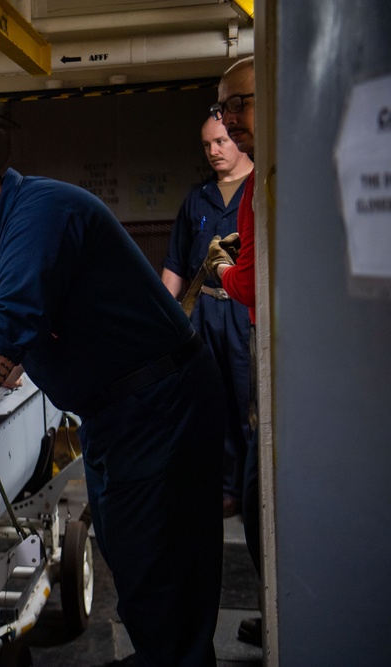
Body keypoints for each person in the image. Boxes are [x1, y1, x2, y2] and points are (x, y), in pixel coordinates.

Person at [0, 144, 225, 666]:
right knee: (135, 558)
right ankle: (163, 654)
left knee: (161, 565)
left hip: (155, 407)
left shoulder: (39, 214)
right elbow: (33, 324)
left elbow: (11, 320)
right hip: (118, 413)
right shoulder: (16, 225)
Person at [162, 117, 254, 519]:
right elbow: (175, 266)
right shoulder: (197, 199)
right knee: (213, 400)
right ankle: (228, 488)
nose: (213, 151)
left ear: (238, 138)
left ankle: (257, 487)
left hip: (245, 310)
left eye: (220, 141)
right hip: (205, 309)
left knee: (250, 400)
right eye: (206, 145)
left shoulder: (260, 188)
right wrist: (161, 321)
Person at [203, 55, 263, 647]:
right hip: (241, 333)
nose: (230, 121)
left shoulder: (264, 182)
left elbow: (248, 280)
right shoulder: (211, 198)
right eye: (223, 110)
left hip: (264, 340)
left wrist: (223, 270)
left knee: (259, 489)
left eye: (240, 103)